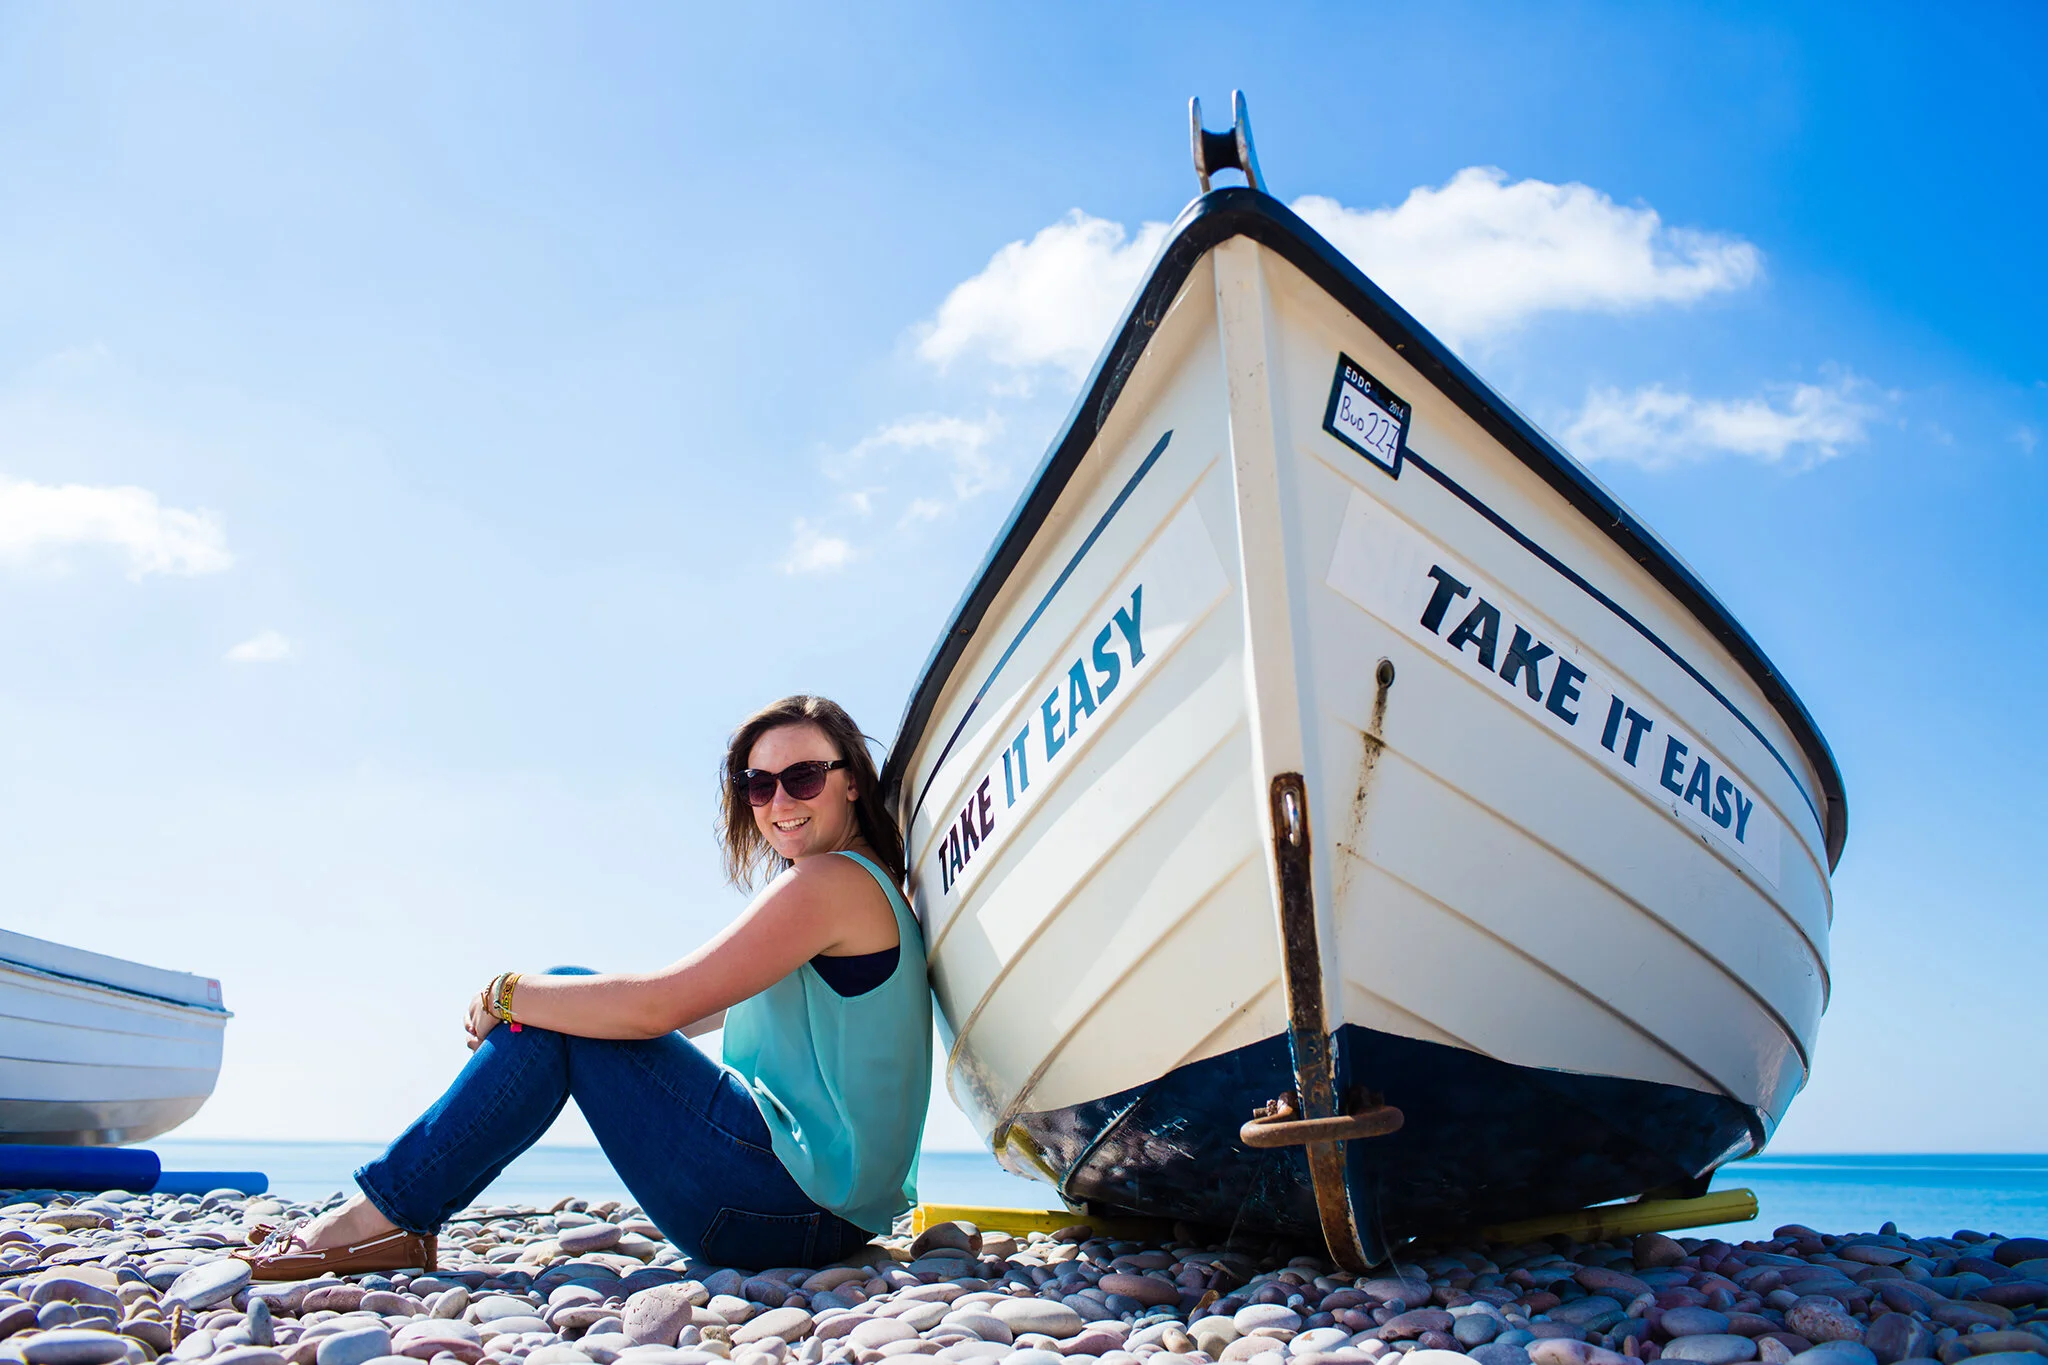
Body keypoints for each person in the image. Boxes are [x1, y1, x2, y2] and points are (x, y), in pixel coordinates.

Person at [239, 695, 932, 1275]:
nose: (779, 800)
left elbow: (661, 1004)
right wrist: (553, 1011)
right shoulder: (854, 885)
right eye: (759, 784)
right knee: (571, 1007)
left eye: (804, 776)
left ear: (850, 781)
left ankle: (380, 1218)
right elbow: (691, 1011)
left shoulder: (829, 882)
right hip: (816, 1209)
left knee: (565, 995)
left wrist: (508, 993)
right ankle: (392, 1218)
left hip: (787, 1210)